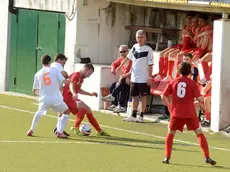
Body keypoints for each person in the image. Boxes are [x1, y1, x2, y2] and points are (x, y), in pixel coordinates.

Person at [161, 62, 216, 165]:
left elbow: (163, 96)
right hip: (190, 113)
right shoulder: (192, 83)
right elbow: (199, 98)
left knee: (170, 134)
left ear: (178, 71)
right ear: (190, 72)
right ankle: (207, 156)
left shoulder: (173, 82)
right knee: (199, 133)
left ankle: (167, 157)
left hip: (176, 113)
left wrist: (170, 107)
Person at [27, 54, 70, 139]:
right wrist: (71, 81)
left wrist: (42, 93)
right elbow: (65, 81)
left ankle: (31, 129)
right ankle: (60, 132)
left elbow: (34, 91)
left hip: (44, 99)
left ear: (42, 62)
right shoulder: (55, 70)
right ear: (50, 62)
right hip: (56, 99)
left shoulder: (38, 73)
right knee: (66, 111)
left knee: (39, 113)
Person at [115, 30, 153, 122]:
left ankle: (141, 116)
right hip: (134, 77)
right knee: (134, 96)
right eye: (138, 37)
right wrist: (120, 66)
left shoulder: (148, 50)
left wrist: (149, 77)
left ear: (145, 38)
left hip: (143, 78)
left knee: (143, 97)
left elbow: (150, 64)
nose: (139, 39)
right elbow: (128, 58)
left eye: (141, 37)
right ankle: (133, 115)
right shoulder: (134, 47)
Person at [63, 64, 110, 136]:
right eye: (89, 73)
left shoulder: (81, 78)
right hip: (68, 96)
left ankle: (99, 131)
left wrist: (90, 94)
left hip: (71, 96)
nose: (89, 75)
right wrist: (74, 93)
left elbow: (78, 90)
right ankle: (75, 127)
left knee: (88, 109)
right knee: (84, 108)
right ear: (85, 69)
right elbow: (71, 85)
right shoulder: (76, 75)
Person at [102, 45, 132, 113]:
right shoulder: (121, 59)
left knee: (123, 84)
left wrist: (128, 77)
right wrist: (113, 69)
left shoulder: (131, 60)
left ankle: (121, 105)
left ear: (128, 51)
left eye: (124, 51)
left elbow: (133, 71)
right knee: (113, 85)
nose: (122, 53)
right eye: (121, 52)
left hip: (131, 80)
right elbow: (114, 64)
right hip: (124, 79)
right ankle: (114, 104)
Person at [50, 53, 70, 136]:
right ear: (59, 60)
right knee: (66, 110)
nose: (63, 64)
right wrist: (69, 77)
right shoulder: (57, 65)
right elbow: (64, 74)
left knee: (62, 110)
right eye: (64, 62)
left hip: (53, 91)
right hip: (56, 92)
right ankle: (59, 131)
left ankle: (58, 128)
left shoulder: (52, 66)